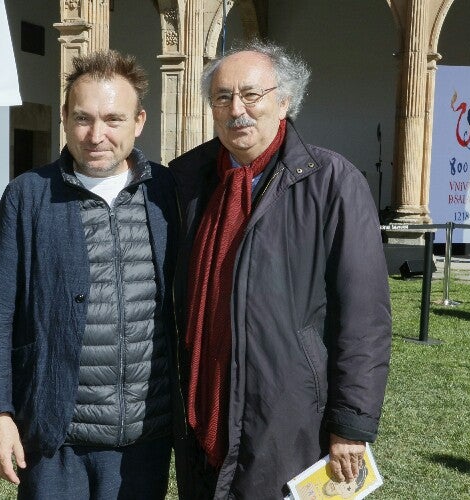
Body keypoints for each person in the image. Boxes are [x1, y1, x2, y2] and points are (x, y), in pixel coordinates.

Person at [169, 39, 392, 499]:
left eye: (252, 95)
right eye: (223, 97)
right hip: (201, 405)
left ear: (285, 101)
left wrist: (350, 424)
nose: (237, 110)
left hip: (286, 417)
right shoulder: (188, 180)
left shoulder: (332, 183)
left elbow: (364, 317)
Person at [0, 50, 179, 500]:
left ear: (139, 121)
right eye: (83, 118)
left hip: (145, 435)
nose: (96, 135)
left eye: (113, 119)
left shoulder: (167, 194)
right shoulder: (28, 196)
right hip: (54, 434)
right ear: (66, 118)